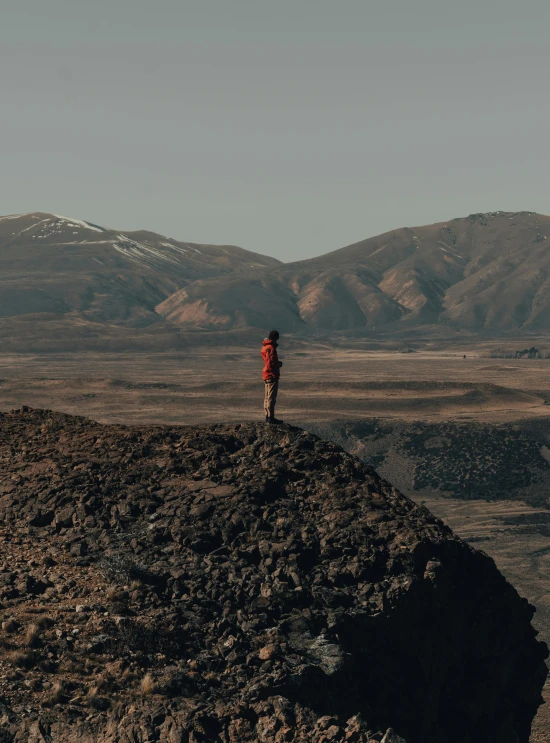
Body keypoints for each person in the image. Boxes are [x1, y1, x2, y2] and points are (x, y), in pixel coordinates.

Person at [261, 330, 283, 424]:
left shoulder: (264, 347)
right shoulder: (271, 348)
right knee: (271, 397)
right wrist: (277, 366)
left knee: (267, 397)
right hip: (271, 375)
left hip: (266, 374)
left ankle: (267, 416)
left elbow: (268, 361)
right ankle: (270, 418)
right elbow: (270, 362)